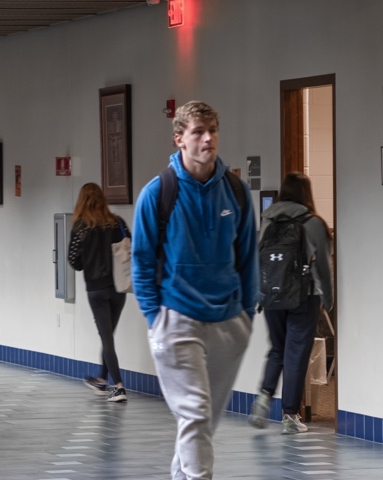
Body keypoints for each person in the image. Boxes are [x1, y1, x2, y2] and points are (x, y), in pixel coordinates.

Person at [130, 100, 258, 480]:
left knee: (201, 423)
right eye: (198, 131)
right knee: (196, 414)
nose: (208, 138)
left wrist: (246, 314)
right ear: (179, 139)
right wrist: (156, 319)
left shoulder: (235, 192)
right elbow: (140, 261)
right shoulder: (158, 194)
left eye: (213, 130)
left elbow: (248, 256)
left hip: (228, 322)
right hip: (177, 319)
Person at [246, 172, 332, 434]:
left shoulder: (268, 217)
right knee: (295, 355)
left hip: (271, 295)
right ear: (306, 193)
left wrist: (258, 296)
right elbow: (324, 267)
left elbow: (259, 260)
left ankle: (263, 397)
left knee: (277, 350)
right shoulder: (312, 222)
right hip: (303, 296)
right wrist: (327, 298)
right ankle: (290, 415)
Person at [66, 182, 131, 402]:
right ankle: (102, 380)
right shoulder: (117, 222)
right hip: (118, 287)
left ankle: (119, 386)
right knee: (108, 336)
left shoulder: (80, 227)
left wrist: (89, 259)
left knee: (106, 337)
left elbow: (74, 261)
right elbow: (130, 244)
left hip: (96, 289)